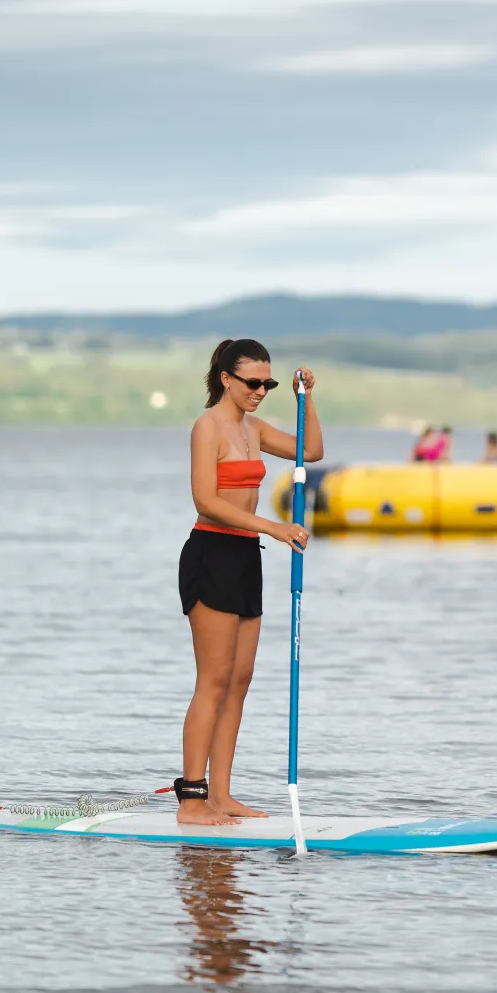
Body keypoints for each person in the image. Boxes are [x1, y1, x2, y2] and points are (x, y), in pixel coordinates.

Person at [174, 338, 323, 826]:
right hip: (211, 553)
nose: (261, 391)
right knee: (213, 681)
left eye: (268, 384)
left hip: (244, 558)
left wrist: (306, 398)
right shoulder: (208, 427)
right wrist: (275, 527)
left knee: (239, 680)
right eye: (252, 383)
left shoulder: (253, 428)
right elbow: (206, 501)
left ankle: (221, 796)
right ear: (226, 379)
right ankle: (192, 802)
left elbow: (313, 450)